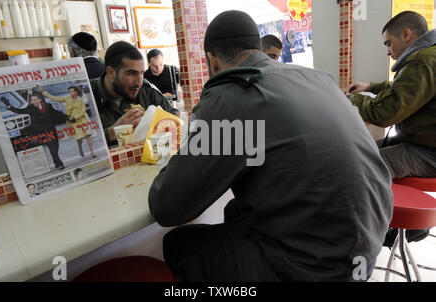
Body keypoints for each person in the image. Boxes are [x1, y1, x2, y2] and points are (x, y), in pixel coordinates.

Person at [148, 10, 393, 281]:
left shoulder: (229, 96)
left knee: (178, 243)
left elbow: (166, 207)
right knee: (235, 212)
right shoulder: (316, 78)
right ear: (258, 47)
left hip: (320, 268)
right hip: (368, 249)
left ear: (211, 61)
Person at [346, 11, 436, 247]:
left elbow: (387, 113)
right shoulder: (428, 56)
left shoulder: (422, 61)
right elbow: (405, 88)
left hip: (429, 152)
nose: (387, 50)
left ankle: (384, 228)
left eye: (389, 43)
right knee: (365, 149)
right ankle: (408, 225)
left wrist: (349, 100)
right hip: (423, 143)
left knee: (365, 163)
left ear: (406, 34)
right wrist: (371, 87)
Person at [90, 41, 179, 146]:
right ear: (111, 72)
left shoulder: (147, 91)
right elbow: (72, 148)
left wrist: (157, 125)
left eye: (141, 73)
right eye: (131, 73)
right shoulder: (85, 96)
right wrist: (111, 133)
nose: (139, 82)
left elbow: (176, 121)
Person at [0, 91, 66, 170]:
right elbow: (19, 111)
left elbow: (56, 113)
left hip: (50, 132)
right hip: (39, 133)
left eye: (34, 100)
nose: (33, 101)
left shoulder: (48, 106)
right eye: (32, 100)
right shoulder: (30, 108)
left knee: (54, 150)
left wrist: (67, 117)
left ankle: (58, 163)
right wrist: (8, 105)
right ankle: (57, 164)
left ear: (40, 100)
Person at [38, 85, 96, 159]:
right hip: (72, 121)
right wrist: (43, 91)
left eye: (72, 91)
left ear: (76, 92)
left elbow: (83, 110)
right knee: (79, 138)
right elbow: (54, 98)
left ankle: (92, 152)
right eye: (69, 92)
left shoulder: (80, 99)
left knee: (88, 135)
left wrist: (76, 117)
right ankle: (80, 149)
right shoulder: (66, 99)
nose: (70, 93)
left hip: (82, 119)